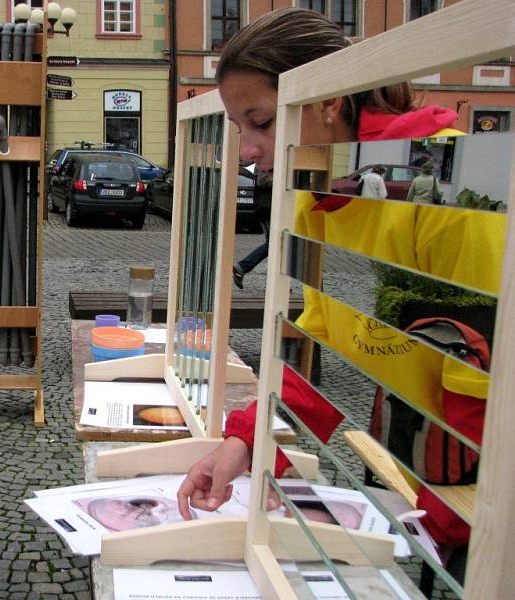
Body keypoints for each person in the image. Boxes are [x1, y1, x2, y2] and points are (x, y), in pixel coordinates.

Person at [176, 7, 502, 576]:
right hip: (431, 479)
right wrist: (246, 443)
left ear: (325, 101)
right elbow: (330, 332)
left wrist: (448, 524)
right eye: (240, 129)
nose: (249, 150)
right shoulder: (320, 191)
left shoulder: (447, 193)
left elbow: (479, 364)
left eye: (261, 121)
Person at [232, 169, 272, 289]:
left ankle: (242, 267)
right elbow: (262, 180)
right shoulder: (268, 159)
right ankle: (242, 266)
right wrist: (285, 180)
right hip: (267, 208)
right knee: (275, 244)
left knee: (275, 245)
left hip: (267, 207)